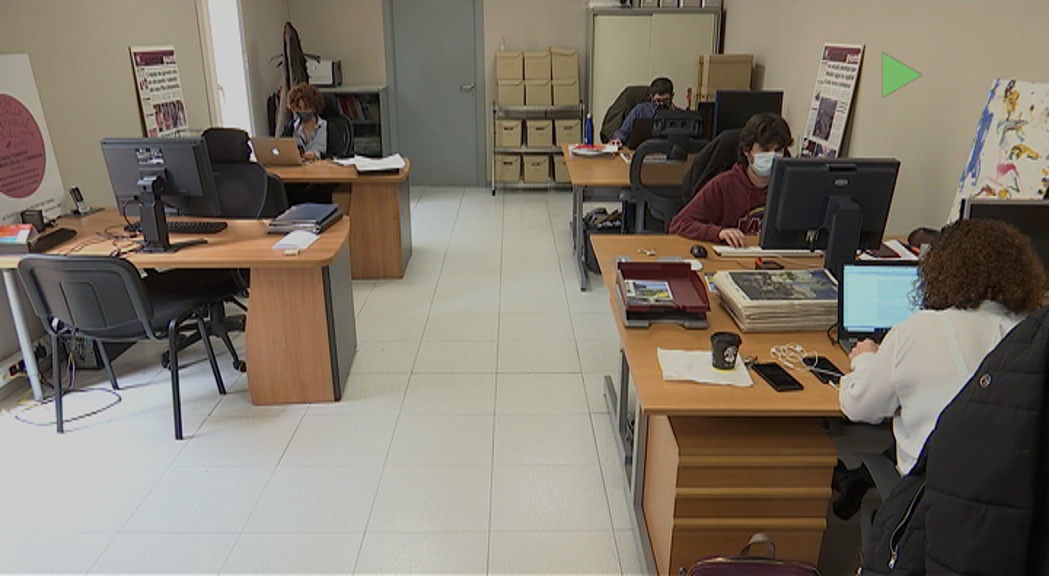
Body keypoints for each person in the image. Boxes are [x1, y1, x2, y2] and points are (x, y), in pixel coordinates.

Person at [832, 219, 1046, 517]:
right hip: (1015, 508)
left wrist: (865, 359)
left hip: (929, 503)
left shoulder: (918, 330)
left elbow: (859, 407)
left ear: (942, 272)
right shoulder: (1033, 335)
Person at [667, 113, 793, 247]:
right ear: (747, 151)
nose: (772, 156)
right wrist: (718, 233)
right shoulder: (723, 184)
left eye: (778, 150)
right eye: (765, 150)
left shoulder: (789, 185)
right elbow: (679, 224)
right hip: (734, 254)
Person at [609, 77, 676, 147]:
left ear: (672, 96)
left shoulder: (678, 114)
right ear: (651, 97)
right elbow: (623, 132)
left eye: (666, 100)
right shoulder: (640, 110)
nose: (662, 104)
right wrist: (618, 139)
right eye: (658, 100)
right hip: (641, 150)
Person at [282, 82, 327, 161]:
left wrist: (316, 155)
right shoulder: (290, 128)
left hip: (322, 167)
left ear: (314, 107)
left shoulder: (327, 128)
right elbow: (281, 150)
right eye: (299, 108)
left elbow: (337, 157)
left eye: (306, 108)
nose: (302, 111)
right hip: (297, 167)